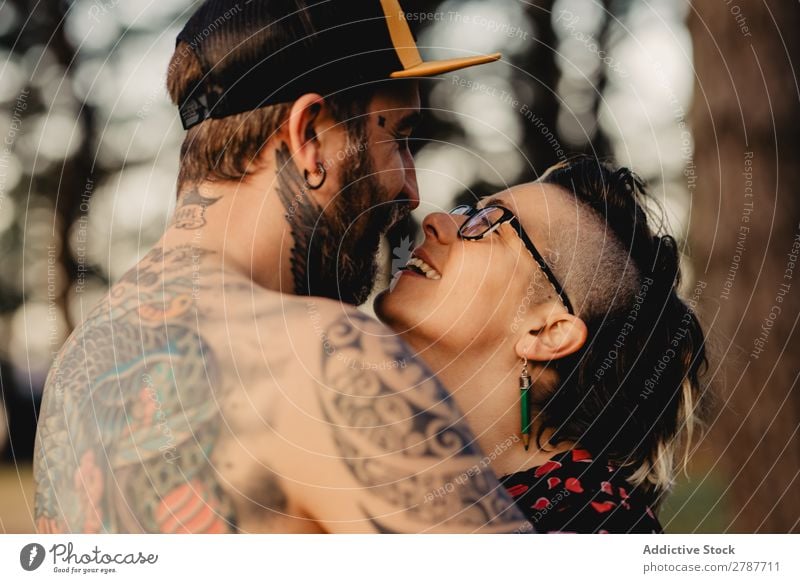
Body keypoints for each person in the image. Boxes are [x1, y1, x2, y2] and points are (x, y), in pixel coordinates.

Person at [33, 0, 530, 534]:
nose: (410, 190)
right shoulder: (330, 359)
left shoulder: (79, 366)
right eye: (398, 137)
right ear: (309, 136)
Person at [375, 157, 710, 533]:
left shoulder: (599, 527)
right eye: (469, 211)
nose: (436, 221)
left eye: (489, 224)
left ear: (546, 332)